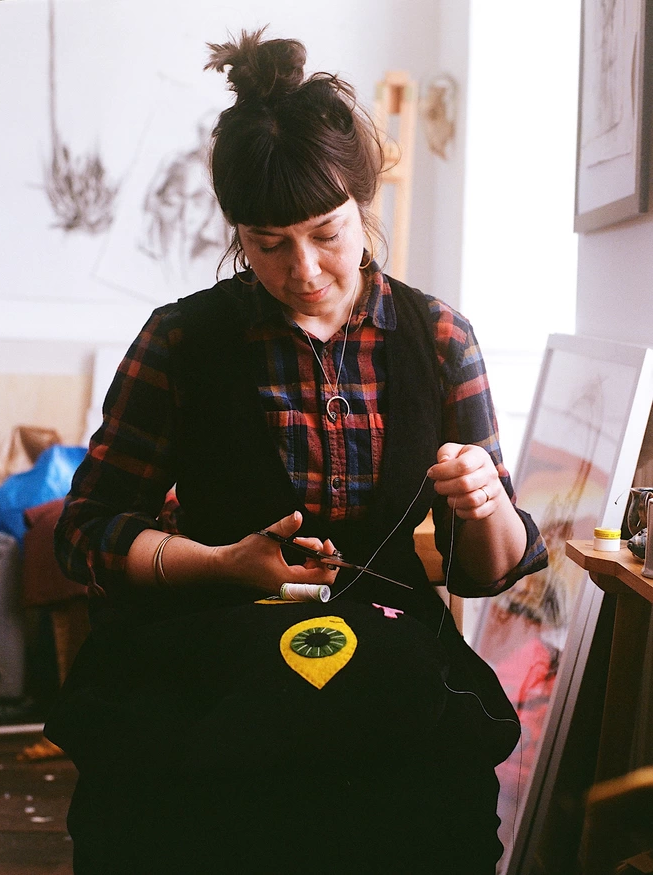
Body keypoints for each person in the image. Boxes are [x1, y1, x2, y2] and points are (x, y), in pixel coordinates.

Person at [46, 27, 548, 875]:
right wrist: (222, 564)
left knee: (429, 821)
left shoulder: (437, 339)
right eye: (268, 243)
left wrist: (487, 502)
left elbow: (485, 572)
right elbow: (83, 533)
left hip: (389, 672)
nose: (305, 269)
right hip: (213, 667)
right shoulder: (180, 341)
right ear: (238, 232)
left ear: (364, 203)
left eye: (327, 232)